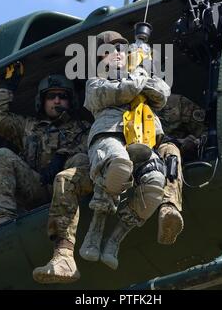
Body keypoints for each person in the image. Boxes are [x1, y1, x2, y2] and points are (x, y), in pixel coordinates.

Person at [0, 65, 91, 284]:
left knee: (80, 161)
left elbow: (93, 154)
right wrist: (8, 87)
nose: (57, 101)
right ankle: (3, 218)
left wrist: (63, 156)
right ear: (42, 101)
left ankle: (63, 250)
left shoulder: (84, 128)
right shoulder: (28, 127)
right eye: (51, 97)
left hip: (70, 190)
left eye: (63, 97)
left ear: (71, 101)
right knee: (1, 155)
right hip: (37, 187)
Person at [79, 30, 170, 270]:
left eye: (121, 49)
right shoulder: (95, 82)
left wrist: (138, 67)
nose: (117, 54)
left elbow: (161, 93)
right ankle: (96, 230)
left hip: (143, 141)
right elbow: (124, 91)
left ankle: (115, 239)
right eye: (109, 51)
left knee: (154, 186)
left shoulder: (137, 73)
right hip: (110, 136)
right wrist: (139, 72)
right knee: (119, 165)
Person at [157, 94, 207, 245]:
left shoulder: (175, 103)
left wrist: (192, 143)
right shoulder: (122, 109)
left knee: (170, 152)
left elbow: (203, 131)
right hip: (139, 157)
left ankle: (168, 210)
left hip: (171, 151)